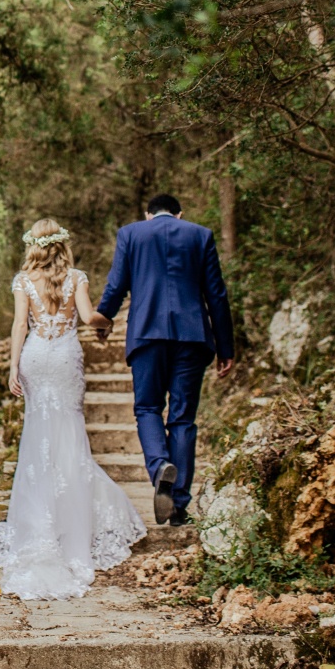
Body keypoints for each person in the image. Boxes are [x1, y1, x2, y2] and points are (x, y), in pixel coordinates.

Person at [0, 218, 146, 600]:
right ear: (62, 245)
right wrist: (108, 322)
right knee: (70, 433)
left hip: (36, 358)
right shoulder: (77, 278)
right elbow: (90, 318)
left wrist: (13, 367)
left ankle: (39, 523)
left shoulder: (23, 281)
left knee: (38, 437)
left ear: (33, 246)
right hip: (65, 359)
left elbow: (20, 325)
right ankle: (72, 525)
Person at [94, 193, 234, 527]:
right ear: (179, 214)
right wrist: (226, 348)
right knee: (183, 418)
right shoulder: (200, 235)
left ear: (148, 215)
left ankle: (159, 467)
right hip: (192, 336)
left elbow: (117, 284)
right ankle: (179, 507)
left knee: (148, 408)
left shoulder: (131, 234)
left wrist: (104, 319)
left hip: (146, 334)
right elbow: (216, 294)